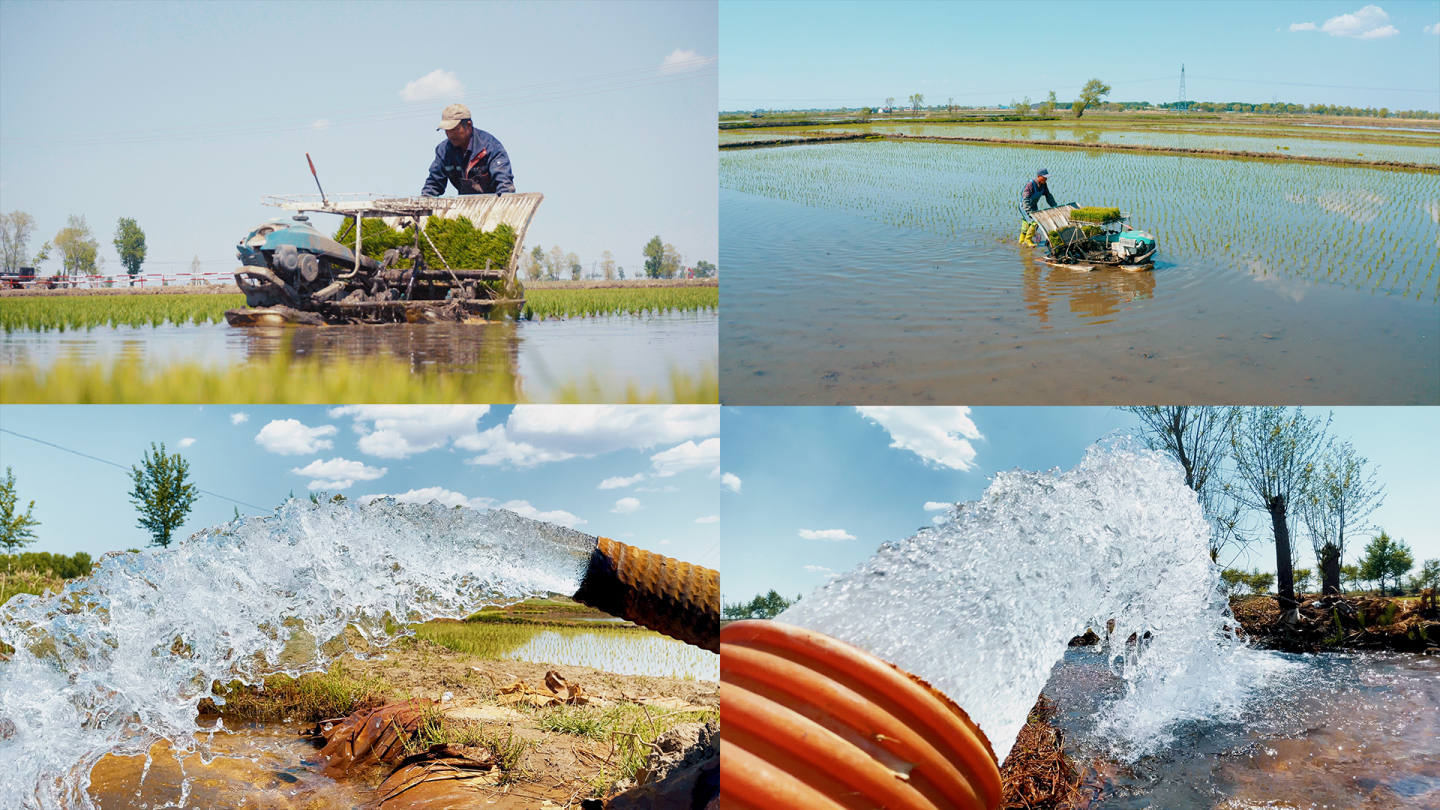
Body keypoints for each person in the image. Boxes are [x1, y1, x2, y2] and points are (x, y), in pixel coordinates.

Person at [421, 104, 515, 197]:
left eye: (454, 129)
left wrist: (502, 206)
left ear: (468, 125)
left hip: (492, 206)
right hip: (465, 206)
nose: (450, 134)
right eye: (446, 130)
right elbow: (433, 185)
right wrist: (423, 203)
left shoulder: (491, 147)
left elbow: (504, 185)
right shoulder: (444, 151)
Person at [1018, 168, 1056, 247]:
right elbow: (1025, 199)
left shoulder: (1044, 185)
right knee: (1035, 222)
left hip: (1034, 205)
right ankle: (1028, 240)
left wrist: (1054, 206)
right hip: (1025, 206)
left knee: (1026, 222)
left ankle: (1021, 241)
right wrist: (1029, 212)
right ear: (1039, 176)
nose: (1046, 179)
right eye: (1044, 177)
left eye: (1047, 177)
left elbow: (1048, 196)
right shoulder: (1030, 184)